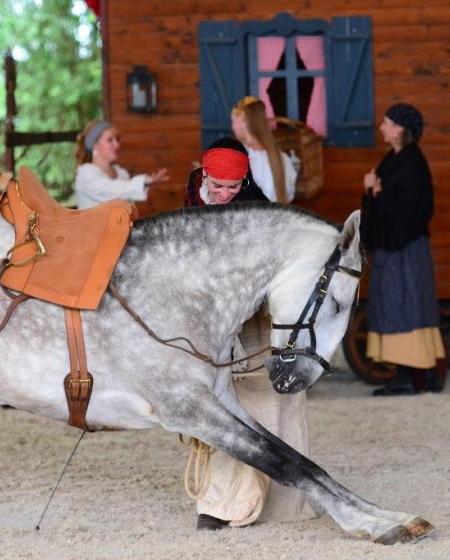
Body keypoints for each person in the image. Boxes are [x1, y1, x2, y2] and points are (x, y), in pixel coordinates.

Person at [185, 137, 315, 531]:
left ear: (244, 181)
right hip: (209, 324)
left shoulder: (258, 212)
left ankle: (249, 502)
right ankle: (223, 500)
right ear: (204, 175)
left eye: (232, 187)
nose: (224, 195)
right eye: (217, 186)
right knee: (219, 409)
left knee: (265, 406)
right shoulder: (192, 199)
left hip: (256, 323)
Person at [360, 103, 446, 396]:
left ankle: (408, 378)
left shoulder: (411, 163)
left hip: (405, 249)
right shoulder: (394, 159)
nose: (382, 128)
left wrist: (377, 191)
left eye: (386, 123)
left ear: (399, 129)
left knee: (406, 307)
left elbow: (411, 212)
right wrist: (372, 190)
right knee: (402, 306)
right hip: (394, 248)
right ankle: (424, 375)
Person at [74, 119, 169, 209]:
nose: (117, 145)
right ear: (94, 145)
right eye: (110, 140)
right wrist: (146, 181)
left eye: (117, 139)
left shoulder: (122, 173)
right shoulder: (85, 173)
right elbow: (109, 191)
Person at [230, 96, 297, 204]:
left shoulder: (240, 158)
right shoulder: (282, 158)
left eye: (233, 121)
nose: (232, 127)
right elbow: (289, 195)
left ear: (243, 119)